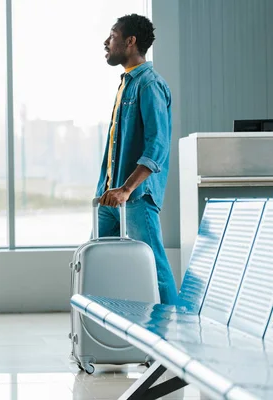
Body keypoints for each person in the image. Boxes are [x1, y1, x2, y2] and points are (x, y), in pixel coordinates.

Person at [95, 13, 178, 305]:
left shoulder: (149, 84)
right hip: (110, 196)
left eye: (113, 35)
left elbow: (157, 145)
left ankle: (177, 337)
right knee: (97, 265)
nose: (107, 42)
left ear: (130, 41)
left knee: (155, 268)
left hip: (135, 196)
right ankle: (104, 334)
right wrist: (110, 188)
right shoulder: (126, 84)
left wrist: (127, 189)